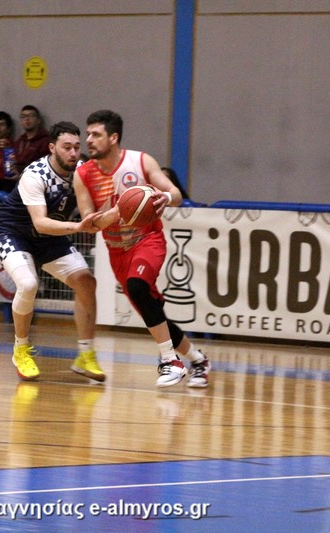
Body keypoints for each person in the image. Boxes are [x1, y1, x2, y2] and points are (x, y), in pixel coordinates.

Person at [73, 109, 211, 388]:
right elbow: (89, 224)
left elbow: (175, 194)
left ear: (113, 138)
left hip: (147, 240)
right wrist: (117, 212)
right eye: (88, 134)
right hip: (117, 251)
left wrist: (165, 197)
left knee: (137, 287)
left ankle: (170, 362)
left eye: (96, 134)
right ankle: (198, 360)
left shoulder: (140, 161)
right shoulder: (83, 174)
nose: (88, 140)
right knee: (152, 313)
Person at [0, 121, 104, 382]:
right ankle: (21, 349)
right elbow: (41, 222)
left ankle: (85, 354)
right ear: (52, 148)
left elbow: (92, 208)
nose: (73, 153)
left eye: (77, 147)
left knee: (86, 282)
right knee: (28, 284)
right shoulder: (35, 174)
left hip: (49, 238)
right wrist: (78, 226)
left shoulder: (83, 172)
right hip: (12, 233)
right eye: (67, 147)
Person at [14, 105, 50, 176]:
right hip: (17, 178)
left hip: (35, 178)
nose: (27, 119)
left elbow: (44, 166)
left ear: (38, 120)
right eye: (23, 116)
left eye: (31, 115)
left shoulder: (45, 141)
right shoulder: (19, 141)